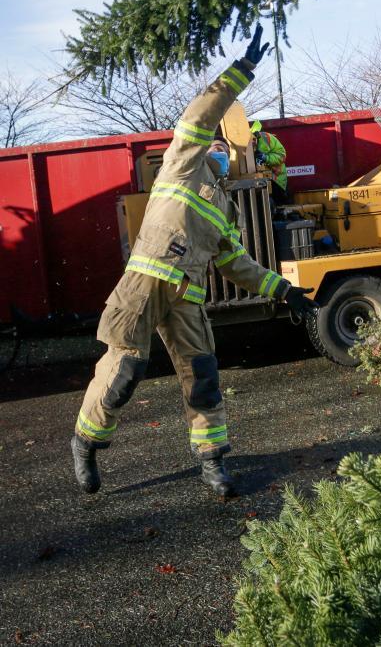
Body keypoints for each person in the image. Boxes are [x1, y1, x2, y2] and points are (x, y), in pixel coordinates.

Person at [71, 26, 316, 498]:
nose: (223, 156)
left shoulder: (225, 209)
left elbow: (238, 264)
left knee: (202, 380)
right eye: (218, 149)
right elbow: (200, 116)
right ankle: (86, 442)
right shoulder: (181, 164)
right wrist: (240, 73)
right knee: (123, 374)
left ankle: (212, 464)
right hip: (142, 287)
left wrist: (283, 290)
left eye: (227, 153)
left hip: (188, 301)